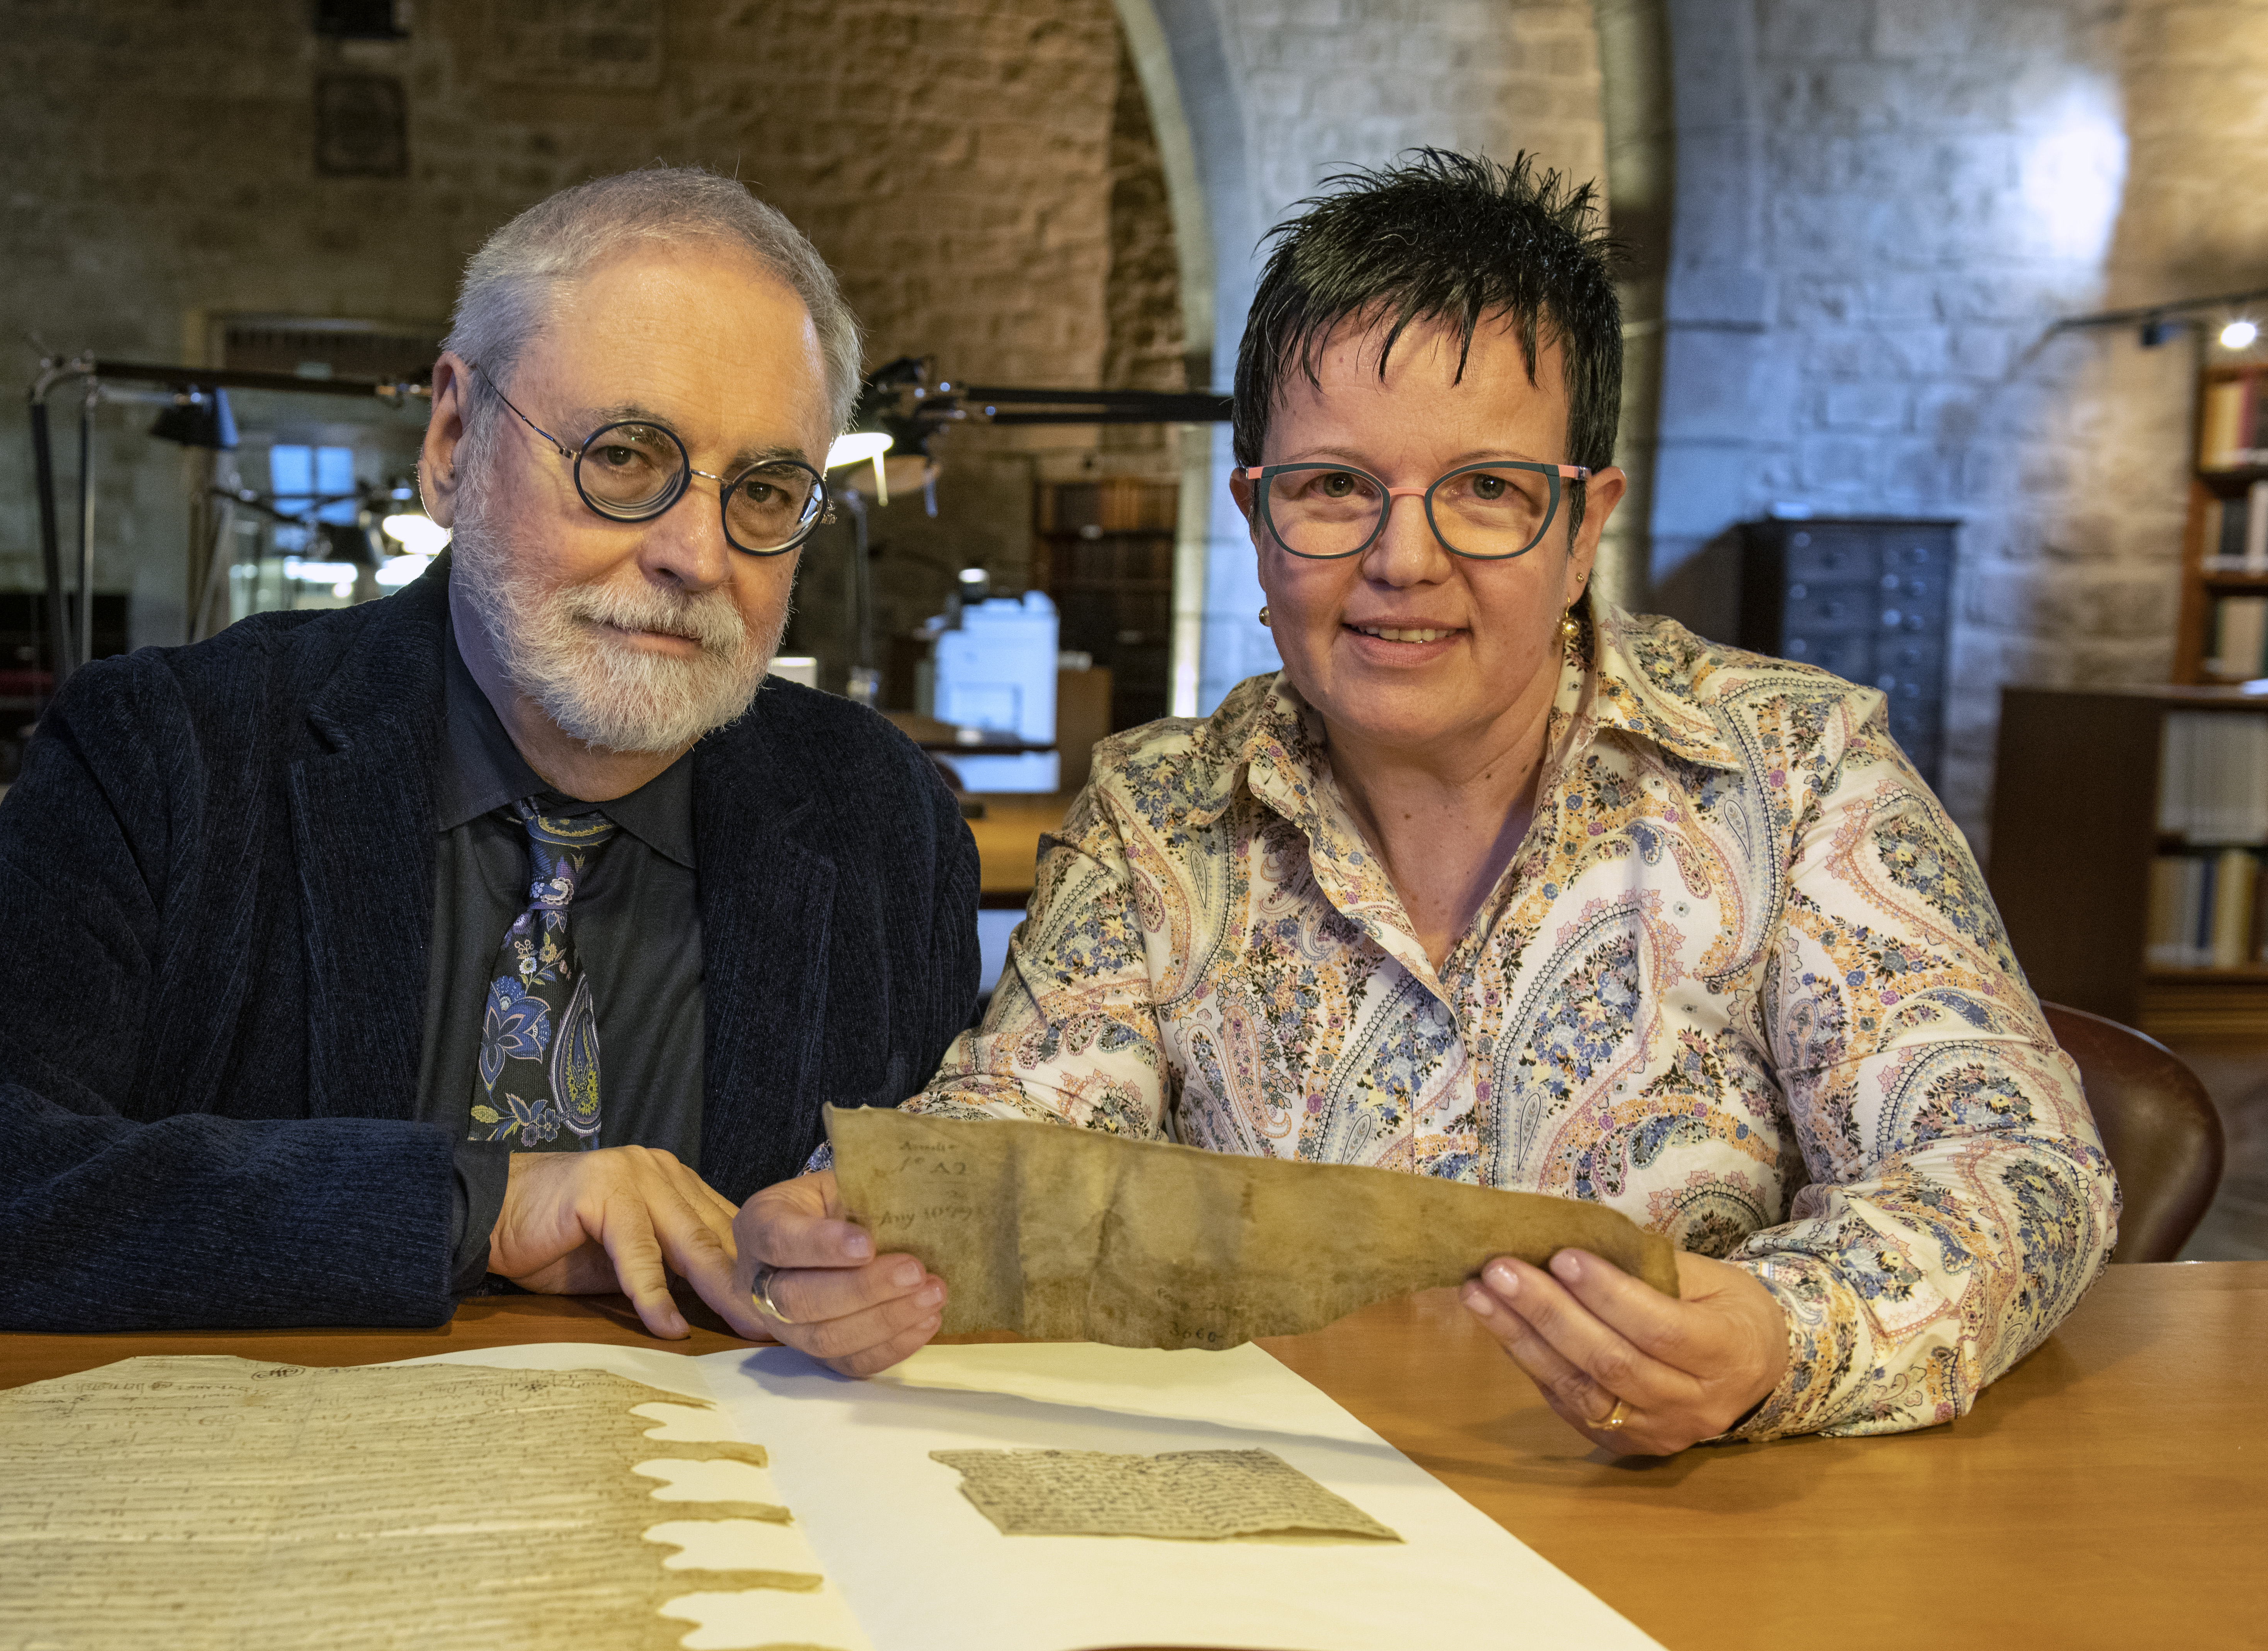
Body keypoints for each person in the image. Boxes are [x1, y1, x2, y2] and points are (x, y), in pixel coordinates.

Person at [733, 151, 2119, 1448]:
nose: (1404, 557)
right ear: (1258, 519)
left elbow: (2020, 1164)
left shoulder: (1797, 773)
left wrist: (1777, 1334)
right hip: (1276, 1527)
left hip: (1695, 1554)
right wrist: (876, 1238)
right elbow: (1016, 1147)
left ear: (1585, 526)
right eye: (1335, 487)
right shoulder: (1161, 815)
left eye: (1489, 490)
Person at [0, 167, 981, 1336]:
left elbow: (945, 1229)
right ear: (454, 442)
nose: (695, 554)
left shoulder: (883, 817)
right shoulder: (177, 753)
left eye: (766, 492)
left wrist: (873, 1271)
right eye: (623, 457)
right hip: (266, 1503)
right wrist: (473, 1205)